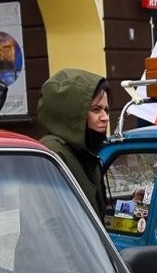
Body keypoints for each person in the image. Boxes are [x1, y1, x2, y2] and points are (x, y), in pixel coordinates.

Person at [37, 68, 109, 216]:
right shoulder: (52, 152)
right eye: (96, 110)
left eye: (106, 110)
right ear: (73, 114)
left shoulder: (84, 151)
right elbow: (47, 220)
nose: (105, 117)